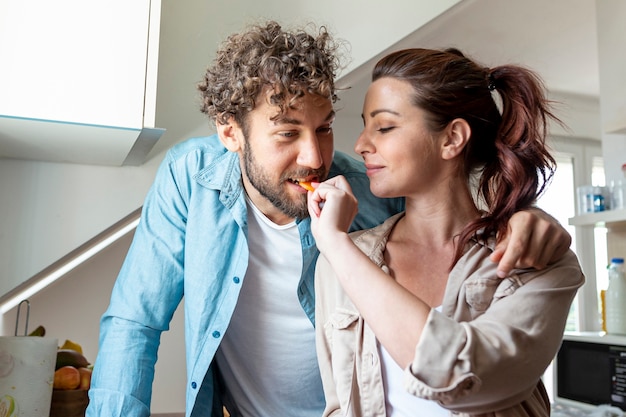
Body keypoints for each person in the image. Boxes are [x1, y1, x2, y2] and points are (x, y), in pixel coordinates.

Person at [86, 22, 572, 417]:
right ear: (230, 133)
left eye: (323, 128)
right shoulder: (189, 178)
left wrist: (525, 214)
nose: (315, 156)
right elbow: (135, 321)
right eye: (287, 134)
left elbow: (446, 209)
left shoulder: (363, 188)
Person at [308, 48, 585, 417]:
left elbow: (461, 376)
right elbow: (340, 405)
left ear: (452, 138)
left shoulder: (537, 261)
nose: (360, 145)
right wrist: (338, 248)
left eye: (385, 127)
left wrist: (335, 244)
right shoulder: (339, 262)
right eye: (365, 126)